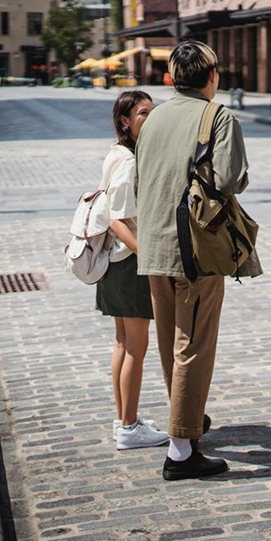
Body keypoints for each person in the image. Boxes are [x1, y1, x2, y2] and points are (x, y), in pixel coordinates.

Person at [136, 40, 261, 480]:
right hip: (195, 248)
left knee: (173, 340)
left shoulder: (154, 118)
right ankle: (181, 451)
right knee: (193, 345)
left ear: (172, 77)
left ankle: (185, 424)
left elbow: (141, 178)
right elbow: (229, 179)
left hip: (154, 246)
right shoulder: (218, 115)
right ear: (212, 76)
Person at [98, 90, 169, 451]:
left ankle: (125, 418)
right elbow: (117, 220)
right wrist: (148, 257)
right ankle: (128, 427)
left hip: (116, 264)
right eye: (143, 114)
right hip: (129, 263)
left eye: (152, 113)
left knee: (123, 344)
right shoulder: (128, 161)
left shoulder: (117, 153)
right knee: (136, 349)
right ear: (125, 120)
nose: (150, 119)